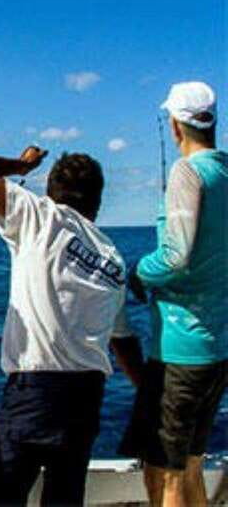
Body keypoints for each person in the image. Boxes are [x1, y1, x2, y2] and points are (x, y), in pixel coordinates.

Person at [0, 147, 140, 506]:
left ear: (51, 193)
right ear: (98, 201)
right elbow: (123, 340)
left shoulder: (40, 215)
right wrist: (148, 394)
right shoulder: (113, 258)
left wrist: (21, 165)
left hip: (34, 394)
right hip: (87, 398)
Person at [120, 81, 227, 507]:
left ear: (176, 125)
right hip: (218, 349)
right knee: (192, 464)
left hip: (181, 352)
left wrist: (139, 273)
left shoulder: (187, 172)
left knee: (165, 473)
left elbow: (177, 255)